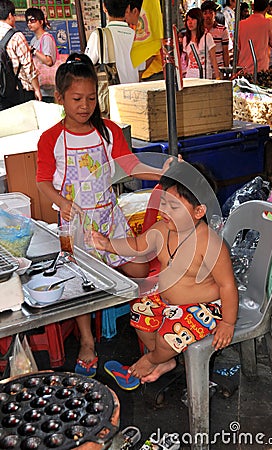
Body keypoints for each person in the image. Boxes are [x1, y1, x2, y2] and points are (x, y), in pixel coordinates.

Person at [36, 53, 176, 377]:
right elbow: (42, 181)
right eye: (76, 99)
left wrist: (162, 171)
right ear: (59, 98)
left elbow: (130, 167)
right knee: (81, 283)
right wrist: (62, 202)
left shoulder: (108, 131)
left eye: (89, 99)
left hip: (110, 218)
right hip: (76, 224)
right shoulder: (51, 140)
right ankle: (87, 340)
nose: (84, 106)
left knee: (139, 267)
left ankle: (140, 322)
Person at [86, 162, 239, 382]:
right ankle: (164, 359)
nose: (165, 210)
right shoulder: (162, 229)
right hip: (167, 298)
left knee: (168, 339)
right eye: (164, 203)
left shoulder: (210, 244)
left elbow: (227, 286)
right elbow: (137, 244)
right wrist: (107, 244)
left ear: (199, 211)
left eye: (174, 207)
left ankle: (153, 359)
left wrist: (228, 323)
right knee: (139, 311)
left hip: (204, 307)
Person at [85, 0, 144, 84]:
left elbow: (86, 66)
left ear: (104, 7)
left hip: (112, 94)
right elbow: (141, 69)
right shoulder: (137, 36)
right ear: (128, 9)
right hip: (134, 93)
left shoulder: (99, 35)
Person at [0, 0, 41, 110]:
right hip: (19, 91)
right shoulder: (16, 36)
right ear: (10, 16)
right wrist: (36, 89)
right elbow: (29, 67)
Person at [238, 0, 272, 74]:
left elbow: (238, 47)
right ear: (267, 8)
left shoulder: (241, 24)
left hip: (243, 66)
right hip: (261, 67)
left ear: (252, 6)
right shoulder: (269, 23)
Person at [25, 7, 57, 103]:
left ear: (41, 22)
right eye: (28, 21)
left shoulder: (46, 38)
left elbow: (49, 61)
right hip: (39, 85)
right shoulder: (34, 40)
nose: (29, 23)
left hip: (49, 88)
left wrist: (34, 51)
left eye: (32, 20)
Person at [183, 8, 220, 80]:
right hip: (190, 76)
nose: (190, 22)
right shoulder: (185, 39)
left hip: (204, 75)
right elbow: (187, 59)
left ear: (199, 20)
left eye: (193, 19)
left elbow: (213, 59)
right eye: (188, 20)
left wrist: (217, 77)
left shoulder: (207, 37)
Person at [201, 0, 230, 74]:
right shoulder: (199, 31)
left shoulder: (223, 30)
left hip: (219, 69)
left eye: (210, 12)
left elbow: (225, 52)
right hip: (204, 70)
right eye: (205, 13)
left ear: (215, 13)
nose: (208, 16)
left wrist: (226, 70)